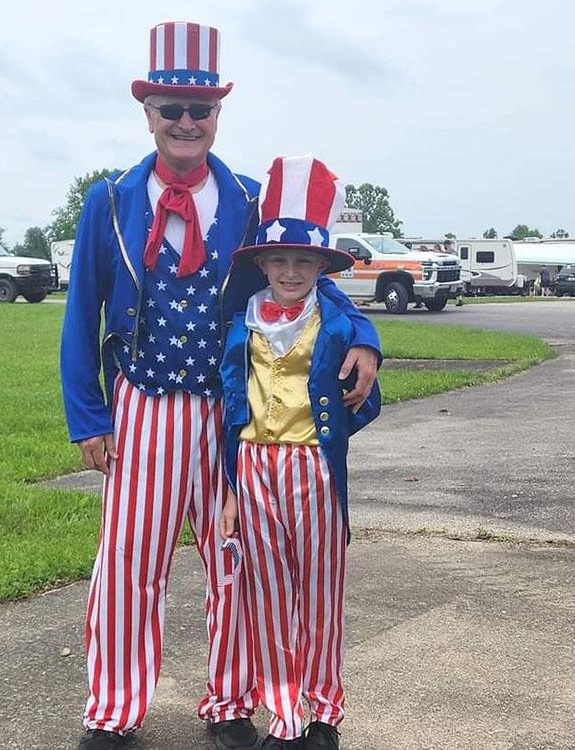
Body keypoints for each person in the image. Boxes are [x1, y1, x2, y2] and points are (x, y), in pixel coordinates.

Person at [59, 22, 381, 750]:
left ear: (217, 117)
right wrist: (87, 413)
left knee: (237, 558)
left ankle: (231, 700)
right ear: (147, 112)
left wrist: (364, 334)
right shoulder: (109, 201)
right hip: (142, 403)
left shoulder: (245, 196)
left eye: (198, 110)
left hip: (234, 413)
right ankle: (113, 708)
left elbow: (305, 275)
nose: (184, 123)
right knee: (129, 562)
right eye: (170, 108)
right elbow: (82, 310)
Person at [219, 156, 381, 750]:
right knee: (267, 593)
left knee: (320, 592)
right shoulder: (243, 320)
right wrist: (232, 485)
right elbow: (230, 404)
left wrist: (330, 427)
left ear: (321, 266)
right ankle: (283, 714)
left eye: (303, 260)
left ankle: (324, 713)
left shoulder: (335, 317)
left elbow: (366, 397)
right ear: (262, 262)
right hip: (255, 464)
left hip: (313, 468)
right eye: (280, 258)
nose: (290, 270)